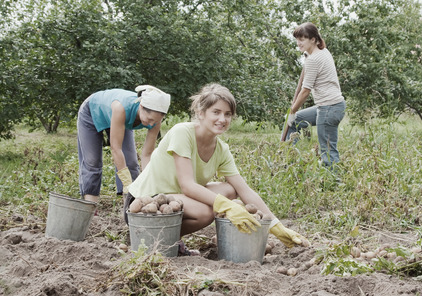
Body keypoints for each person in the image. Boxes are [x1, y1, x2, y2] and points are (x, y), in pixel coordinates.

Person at [125, 83, 309, 254]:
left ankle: (169, 238)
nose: (222, 119)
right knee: (205, 212)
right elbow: (188, 185)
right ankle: (151, 237)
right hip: (145, 204)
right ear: (201, 112)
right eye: (216, 112)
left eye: (227, 114)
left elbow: (244, 190)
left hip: (176, 200)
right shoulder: (183, 132)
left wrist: (276, 226)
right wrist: (228, 207)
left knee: (230, 189)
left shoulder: (221, 149)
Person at [77, 85, 171, 204]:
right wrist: (127, 182)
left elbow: (147, 154)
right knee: (92, 162)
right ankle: (90, 206)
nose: (151, 124)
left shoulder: (155, 119)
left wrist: (148, 180)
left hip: (121, 120)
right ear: (141, 106)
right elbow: (116, 148)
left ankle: (129, 207)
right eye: (149, 119)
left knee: (130, 162)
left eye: (155, 121)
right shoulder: (121, 109)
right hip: (92, 111)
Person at [285, 22, 346, 170]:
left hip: (328, 108)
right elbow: (310, 56)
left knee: (328, 151)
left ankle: (334, 183)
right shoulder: (323, 51)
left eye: (302, 39)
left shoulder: (313, 60)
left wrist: (292, 111)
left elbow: (305, 91)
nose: (298, 43)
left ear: (313, 39)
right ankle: (290, 164)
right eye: (297, 39)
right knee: (295, 122)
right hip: (334, 106)